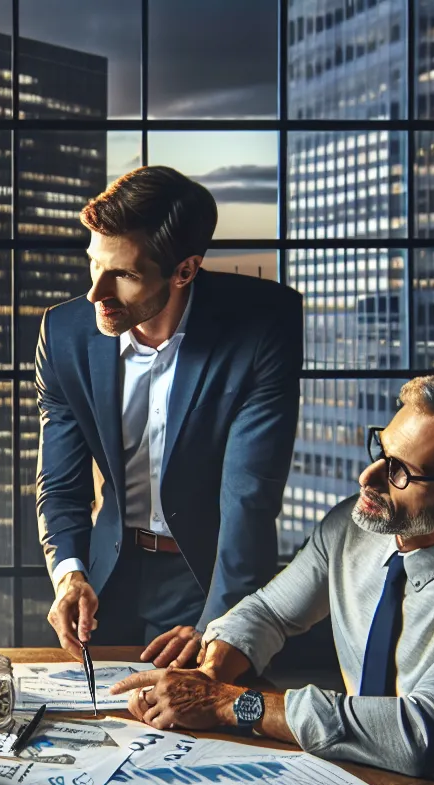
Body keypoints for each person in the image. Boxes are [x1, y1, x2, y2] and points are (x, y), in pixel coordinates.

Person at [113, 374, 434, 785]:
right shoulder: (354, 529)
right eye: (382, 451)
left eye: (401, 471)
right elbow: (267, 613)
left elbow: (419, 734)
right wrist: (209, 678)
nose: (368, 478)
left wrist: (229, 704)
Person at [37, 165, 302, 660]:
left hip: (206, 574)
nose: (96, 292)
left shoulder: (263, 326)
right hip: (106, 569)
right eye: (95, 263)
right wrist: (70, 572)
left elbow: (250, 496)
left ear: (184, 270)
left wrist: (222, 622)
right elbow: (60, 481)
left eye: (124, 274)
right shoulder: (65, 334)